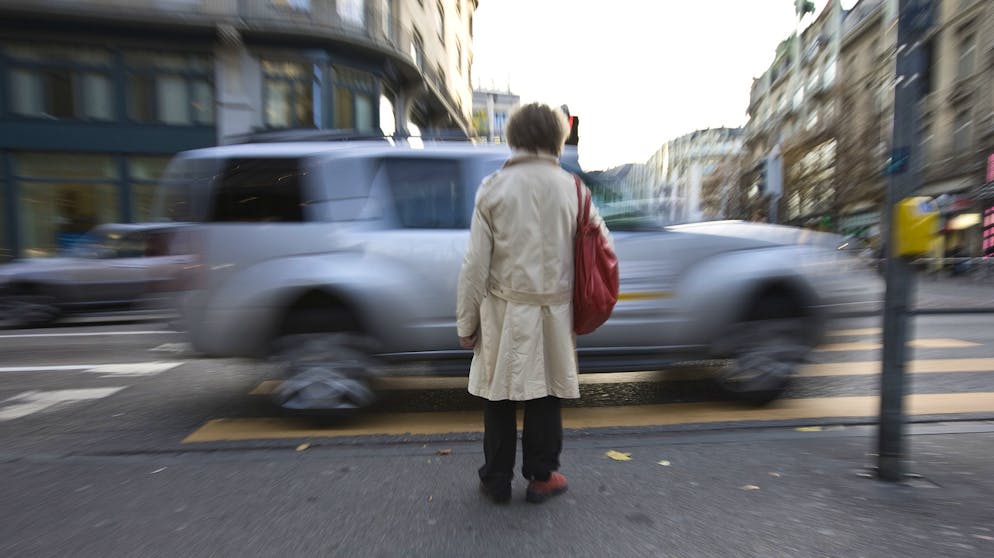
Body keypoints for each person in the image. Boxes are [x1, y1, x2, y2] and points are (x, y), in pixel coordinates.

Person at [456, 103, 613, 504]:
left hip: (504, 311)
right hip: (554, 311)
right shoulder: (575, 189)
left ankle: (495, 480)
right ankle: (542, 477)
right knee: (546, 395)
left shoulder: (493, 188)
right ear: (556, 140)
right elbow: (602, 249)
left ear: (514, 138)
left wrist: (466, 323)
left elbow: (475, 265)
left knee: (499, 394)